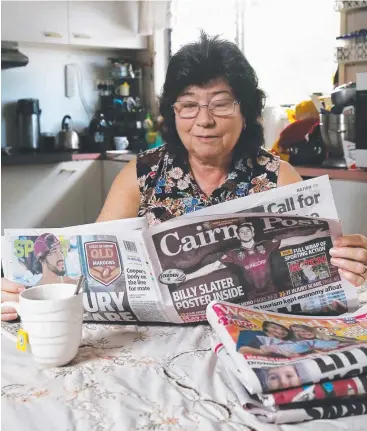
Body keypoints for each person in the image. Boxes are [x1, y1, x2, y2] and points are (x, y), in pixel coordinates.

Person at [2, 33, 367, 320]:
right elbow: (92, 267)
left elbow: (321, 271)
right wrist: (24, 291)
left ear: (247, 112)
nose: (204, 120)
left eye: (221, 103)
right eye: (189, 104)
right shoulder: (140, 175)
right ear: (173, 114)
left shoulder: (277, 176)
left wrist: (351, 265)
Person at [182, 222, 329, 301]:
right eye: (241, 232)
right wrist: (188, 277)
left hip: (275, 293)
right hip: (252, 298)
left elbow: (289, 241)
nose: (245, 233)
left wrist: (316, 235)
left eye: (247, 231)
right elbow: (212, 267)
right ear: (238, 236)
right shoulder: (234, 254)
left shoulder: (265, 245)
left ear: (252, 233)